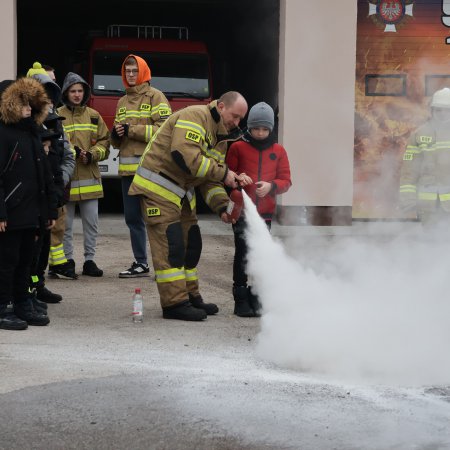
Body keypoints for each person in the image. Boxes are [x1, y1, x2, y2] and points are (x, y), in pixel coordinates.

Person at [129, 91, 250, 321]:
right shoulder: (195, 116)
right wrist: (226, 173)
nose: (236, 123)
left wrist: (223, 207)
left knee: (191, 242)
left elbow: (210, 180)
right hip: (158, 189)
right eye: (235, 116)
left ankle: (191, 296)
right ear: (221, 107)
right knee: (171, 245)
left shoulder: (220, 136)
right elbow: (184, 154)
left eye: (240, 120)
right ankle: (174, 303)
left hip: (180, 193)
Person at [0, 77, 57, 330]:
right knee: (7, 262)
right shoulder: (3, 133)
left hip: (31, 213)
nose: (28, 108)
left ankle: (23, 302)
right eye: (23, 103)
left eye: (30, 104)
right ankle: (4, 307)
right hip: (11, 213)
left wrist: (49, 210)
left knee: (26, 261)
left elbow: (45, 177)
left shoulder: (33, 132)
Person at [226, 102, 292, 317]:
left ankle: (257, 297)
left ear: (271, 129)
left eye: (265, 129)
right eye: (256, 129)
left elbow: (286, 181)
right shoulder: (237, 147)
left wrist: (271, 186)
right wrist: (237, 179)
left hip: (265, 214)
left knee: (260, 254)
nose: (260, 133)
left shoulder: (279, 151)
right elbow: (226, 176)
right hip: (242, 212)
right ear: (250, 127)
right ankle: (240, 298)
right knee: (243, 253)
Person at [111, 54, 172, 278]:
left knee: (156, 218)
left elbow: (165, 132)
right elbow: (117, 141)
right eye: (127, 71)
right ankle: (141, 263)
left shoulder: (156, 97)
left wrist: (131, 130)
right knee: (132, 219)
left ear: (144, 72)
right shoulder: (122, 101)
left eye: (134, 71)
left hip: (152, 171)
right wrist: (115, 134)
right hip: (128, 172)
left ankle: (164, 264)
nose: (130, 75)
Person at [26, 62, 76, 303]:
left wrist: (59, 182)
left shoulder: (56, 121)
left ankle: (38, 285)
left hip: (51, 194)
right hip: (29, 197)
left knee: (44, 246)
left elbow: (67, 156)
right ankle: (25, 290)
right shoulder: (23, 121)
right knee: (29, 249)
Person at [57, 72, 110, 277]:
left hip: (90, 178)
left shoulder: (94, 116)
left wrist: (93, 154)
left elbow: (106, 142)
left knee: (91, 225)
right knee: (66, 225)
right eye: (73, 91)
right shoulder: (57, 114)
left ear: (85, 92)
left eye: (80, 91)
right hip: (66, 179)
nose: (77, 95)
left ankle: (90, 261)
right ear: (66, 93)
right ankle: (68, 260)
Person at [399, 87, 450, 224]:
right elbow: (409, 170)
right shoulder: (419, 135)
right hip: (428, 208)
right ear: (432, 110)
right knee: (430, 243)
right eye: (438, 109)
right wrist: (407, 198)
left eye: (446, 109)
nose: (442, 113)